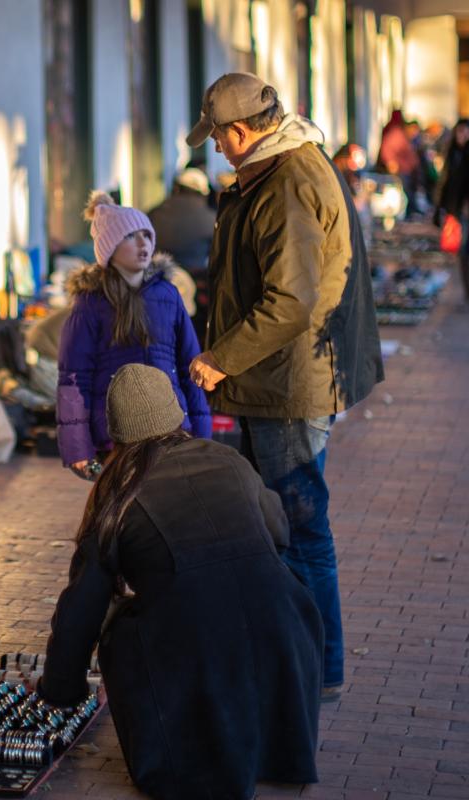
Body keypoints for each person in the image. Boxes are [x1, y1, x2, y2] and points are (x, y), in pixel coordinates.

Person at [186, 73, 384, 701]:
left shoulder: (287, 182)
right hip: (281, 379)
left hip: (288, 383)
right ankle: (293, 659)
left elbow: (290, 302)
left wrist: (221, 358)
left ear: (243, 131)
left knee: (299, 529)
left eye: (219, 137)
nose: (217, 149)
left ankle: (319, 669)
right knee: (278, 526)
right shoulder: (282, 166)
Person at [39, 364, 323, 800]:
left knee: (127, 628)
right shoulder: (228, 459)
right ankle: (272, 745)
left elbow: (84, 606)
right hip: (286, 627)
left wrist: (61, 690)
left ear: (117, 432)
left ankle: (183, 756)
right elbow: (278, 535)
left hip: (195, 642)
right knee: (235, 609)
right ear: (175, 413)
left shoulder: (116, 491)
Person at [57, 191, 211, 480]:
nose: (143, 244)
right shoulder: (91, 303)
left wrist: (202, 433)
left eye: (147, 235)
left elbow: (190, 366)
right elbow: (74, 377)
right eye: (130, 236)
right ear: (109, 247)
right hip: (115, 434)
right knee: (125, 503)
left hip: (170, 427)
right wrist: (77, 447)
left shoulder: (168, 294)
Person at [146, 166, 217, 274]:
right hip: (196, 279)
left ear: (176, 188)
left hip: (158, 276)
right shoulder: (211, 218)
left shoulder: (154, 213)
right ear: (204, 193)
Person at [434, 118, 469, 303]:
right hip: (456, 209)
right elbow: (445, 181)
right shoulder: (452, 153)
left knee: (465, 250)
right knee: (462, 252)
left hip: (465, 208)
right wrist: (439, 207)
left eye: (466, 132)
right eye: (460, 131)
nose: (462, 136)